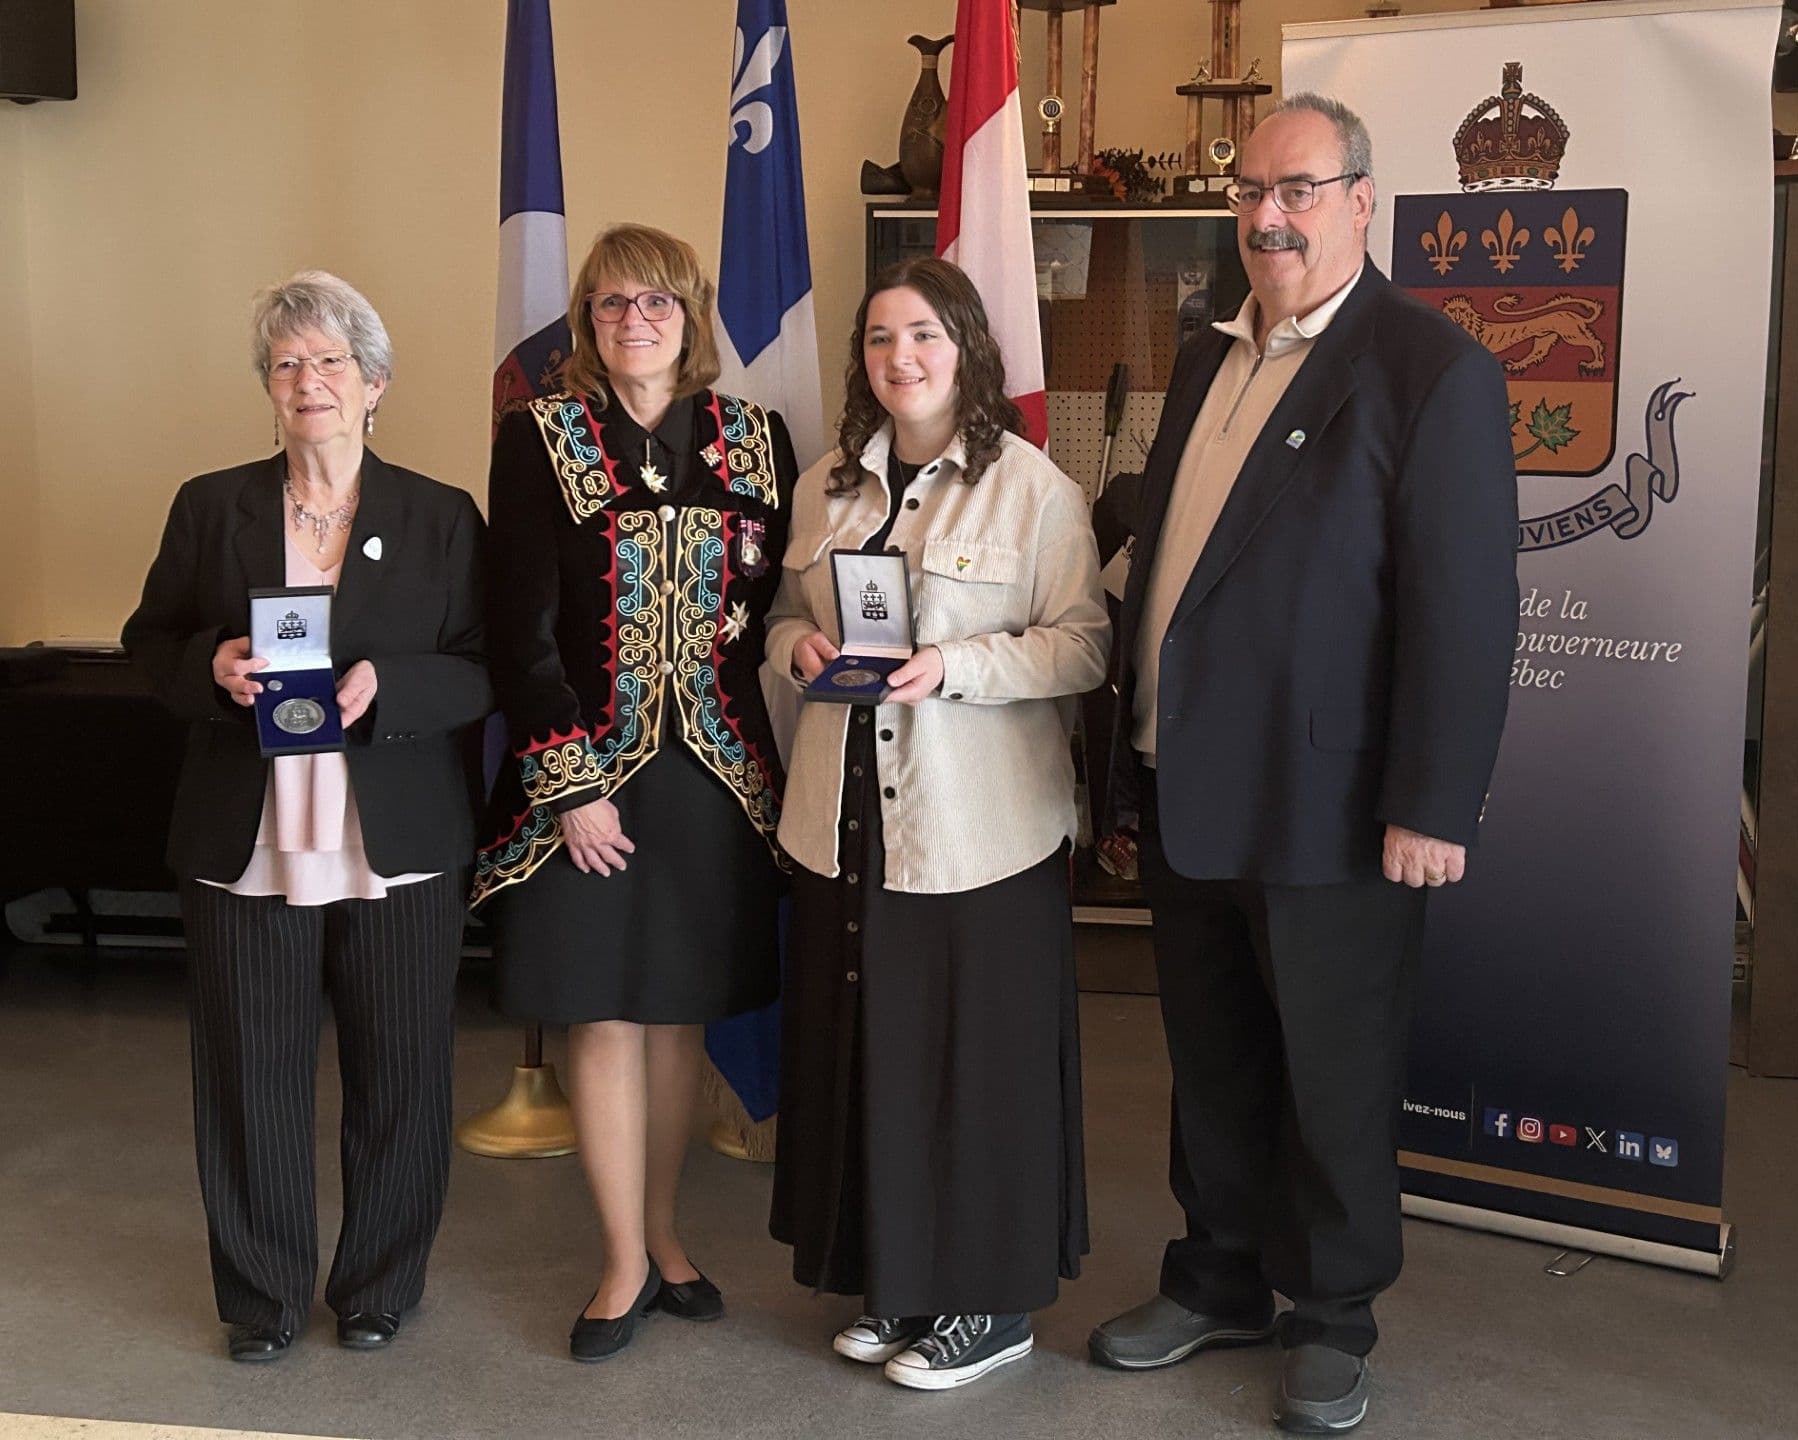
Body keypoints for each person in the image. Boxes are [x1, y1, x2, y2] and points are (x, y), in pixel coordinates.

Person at [1086, 95, 1518, 1434]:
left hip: (1335, 809)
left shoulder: (1427, 369)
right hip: (1188, 789)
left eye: (1298, 190)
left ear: (1362, 201)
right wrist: (1120, 769)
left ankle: (1332, 1315)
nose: (1267, 216)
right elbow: (1176, 572)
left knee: (1330, 1076)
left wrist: (1432, 802)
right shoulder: (1217, 356)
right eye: (1250, 192)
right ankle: (1217, 1281)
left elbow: (1464, 608)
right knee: (1212, 1063)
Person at [122, 271, 491, 1362]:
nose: (308, 381)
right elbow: (150, 644)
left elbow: (479, 671)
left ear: (375, 384)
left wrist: (395, 688)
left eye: (329, 362)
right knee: (249, 1079)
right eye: (286, 365)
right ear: (268, 390)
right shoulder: (211, 505)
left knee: (404, 1079)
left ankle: (378, 1285)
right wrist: (213, 663)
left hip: (397, 844)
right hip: (250, 843)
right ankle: (263, 1300)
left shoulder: (439, 515)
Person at [766, 257, 1110, 1391]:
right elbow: (778, 617)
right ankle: (899, 1282)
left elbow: (1083, 648)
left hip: (978, 833)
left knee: (976, 1068)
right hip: (846, 820)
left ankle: (989, 1305)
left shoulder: (1033, 491)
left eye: (922, 335)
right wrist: (798, 649)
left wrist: (950, 666)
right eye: (878, 340)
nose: (899, 358)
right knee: (879, 1058)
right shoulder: (826, 488)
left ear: (964, 347)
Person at [473, 223, 796, 1362]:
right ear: (585, 323)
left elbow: (773, 615)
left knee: (677, 1019)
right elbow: (520, 631)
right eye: (609, 305)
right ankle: (620, 1261)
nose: (633, 321)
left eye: (654, 302)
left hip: (716, 774)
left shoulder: (758, 440)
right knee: (602, 1012)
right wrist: (570, 785)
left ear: (691, 315)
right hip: (587, 776)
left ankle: (667, 1241)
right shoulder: (540, 439)